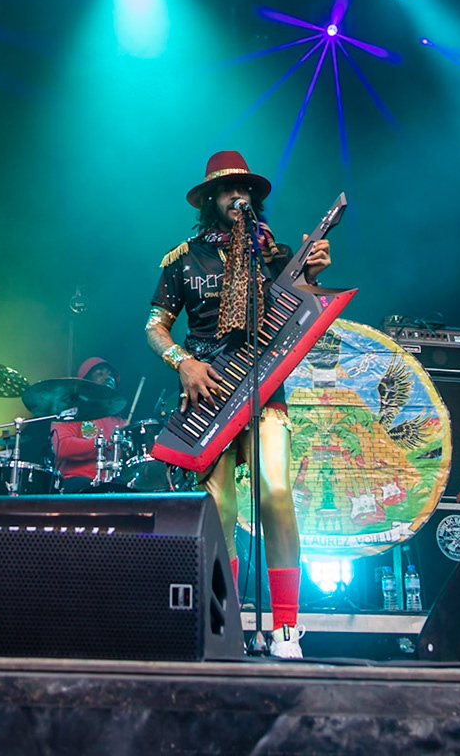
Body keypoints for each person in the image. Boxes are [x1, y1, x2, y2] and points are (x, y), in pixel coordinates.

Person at [145, 150, 330, 659]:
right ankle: (224, 623)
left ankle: (287, 627)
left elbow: (304, 310)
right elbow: (155, 326)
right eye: (227, 190)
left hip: (264, 387)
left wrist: (313, 274)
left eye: (244, 189)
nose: (237, 196)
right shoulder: (183, 259)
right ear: (209, 200)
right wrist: (183, 362)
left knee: (276, 493)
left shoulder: (276, 255)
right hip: (208, 389)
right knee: (220, 506)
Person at [49, 357, 127, 491]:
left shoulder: (121, 422)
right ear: (86, 381)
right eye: (100, 373)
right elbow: (63, 447)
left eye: (111, 375)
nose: (108, 377)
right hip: (76, 481)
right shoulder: (71, 413)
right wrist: (106, 442)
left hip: (111, 484)